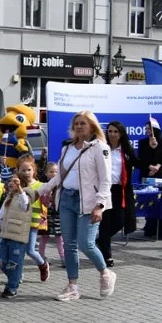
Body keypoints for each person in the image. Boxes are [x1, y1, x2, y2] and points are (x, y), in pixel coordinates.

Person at [39, 110, 116, 302]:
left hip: (88, 201)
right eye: (76, 123)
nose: (79, 126)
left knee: (86, 243)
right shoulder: (68, 148)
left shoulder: (100, 147)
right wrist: (41, 190)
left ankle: (105, 273)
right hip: (67, 199)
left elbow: (106, 180)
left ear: (92, 125)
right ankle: (72, 286)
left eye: (83, 123)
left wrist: (100, 205)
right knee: (69, 245)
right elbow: (59, 175)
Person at [0, 176, 37, 299]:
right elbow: (0, 216)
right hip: (5, 235)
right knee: (1, 262)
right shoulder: (8, 198)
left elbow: (25, 204)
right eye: (10, 181)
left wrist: (20, 189)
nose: (12, 183)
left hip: (18, 237)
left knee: (14, 264)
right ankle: (17, 276)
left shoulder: (25, 196)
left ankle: (12, 287)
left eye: (15, 182)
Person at [97, 121, 137, 265]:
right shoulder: (102, 148)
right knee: (105, 223)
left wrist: (152, 151)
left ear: (121, 134)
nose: (112, 134)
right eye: (110, 131)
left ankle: (101, 241)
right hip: (104, 189)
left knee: (120, 221)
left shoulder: (125, 150)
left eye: (116, 132)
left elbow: (137, 162)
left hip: (120, 190)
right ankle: (107, 255)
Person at [16, 155, 50, 282]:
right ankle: (18, 275)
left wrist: (48, 199)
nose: (26, 173)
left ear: (34, 170)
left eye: (29, 170)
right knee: (18, 250)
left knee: (30, 250)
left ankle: (43, 265)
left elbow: (47, 204)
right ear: (18, 171)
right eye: (23, 170)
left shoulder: (41, 185)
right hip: (19, 220)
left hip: (33, 221)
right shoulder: (17, 185)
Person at [37, 162, 65, 267]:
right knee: (44, 237)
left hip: (57, 214)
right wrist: (47, 197)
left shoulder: (61, 186)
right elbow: (43, 202)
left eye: (56, 172)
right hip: (46, 215)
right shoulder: (44, 186)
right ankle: (40, 257)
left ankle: (63, 258)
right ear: (46, 173)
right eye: (51, 171)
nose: (54, 174)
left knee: (59, 237)